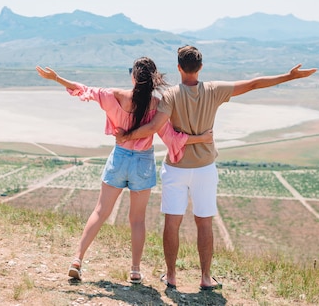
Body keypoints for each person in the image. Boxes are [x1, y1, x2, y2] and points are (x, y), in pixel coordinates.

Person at [116, 45, 317, 291]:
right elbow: (254, 84)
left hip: (177, 168)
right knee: (205, 222)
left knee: (172, 222)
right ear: (200, 67)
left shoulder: (170, 95)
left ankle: (171, 277)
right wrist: (288, 76)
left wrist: (126, 136)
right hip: (205, 168)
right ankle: (205, 277)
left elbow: (152, 128)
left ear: (179, 68)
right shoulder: (214, 90)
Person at [36, 57, 213, 284]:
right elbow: (172, 137)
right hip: (143, 163)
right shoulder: (158, 104)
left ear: (134, 77)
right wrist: (202, 138)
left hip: (119, 158)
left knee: (100, 212)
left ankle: (77, 259)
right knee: (137, 220)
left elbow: (83, 89)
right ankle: (135, 270)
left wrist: (56, 78)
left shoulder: (114, 96)